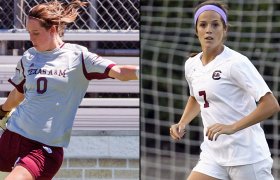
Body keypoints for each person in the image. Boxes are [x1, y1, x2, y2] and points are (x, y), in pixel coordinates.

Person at [0, 0, 139, 179]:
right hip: (13, 135)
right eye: (29, 33)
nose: (31, 39)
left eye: (36, 33)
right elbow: (19, 94)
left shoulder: (78, 57)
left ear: (53, 29)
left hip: (43, 149)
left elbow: (119, 72)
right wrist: (3, 110)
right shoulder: (29, 57)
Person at [170, 1, 279, 180]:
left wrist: (232, 127)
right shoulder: (191, 65)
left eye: (215, 24)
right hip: (213, 155)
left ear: (225, 29)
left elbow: (271, 105)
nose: (209, 30)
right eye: (203, 25)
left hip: (246, 157)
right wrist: (182, 123)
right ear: (196, 29)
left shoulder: (236, 63)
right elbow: (197, 97)